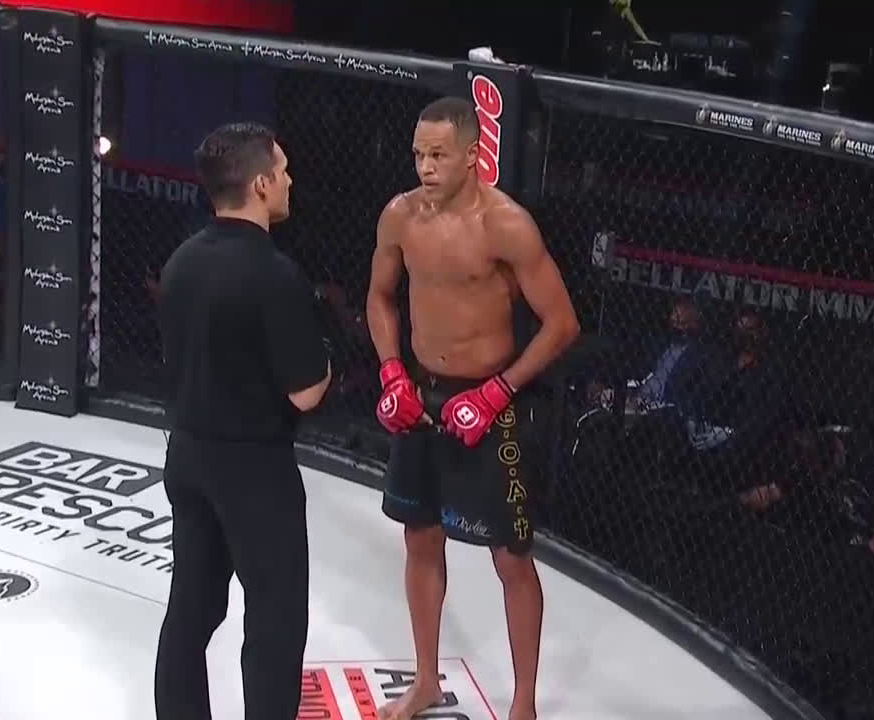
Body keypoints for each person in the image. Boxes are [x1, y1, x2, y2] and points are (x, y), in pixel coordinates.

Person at [366, 97, 580, 720]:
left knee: (511, 556)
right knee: (419, 535)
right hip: (421, 395)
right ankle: (426, 680)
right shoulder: (400, 216)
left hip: (491, 401)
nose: (425, 167)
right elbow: (379, 298)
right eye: (418, 154)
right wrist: (391, 370)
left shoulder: (505, 225)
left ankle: (524, 704)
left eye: (438, 155)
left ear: (473, 156)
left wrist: (497, 391)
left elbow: (562, 323)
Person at [154, 122, 332, 720]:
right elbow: (306, 392)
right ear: (260, 184)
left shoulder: (181, 260)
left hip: (188, 454)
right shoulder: (274, 274)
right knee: (275, 621)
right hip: (254, 468)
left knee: (190, 610)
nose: (290, 180)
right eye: (282, 170)